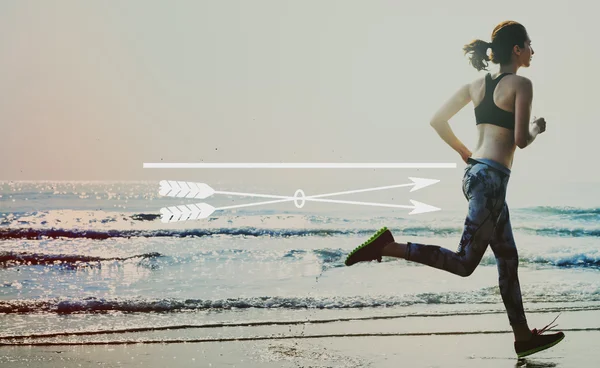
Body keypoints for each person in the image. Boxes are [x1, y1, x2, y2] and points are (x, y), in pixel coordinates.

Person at [344, 20, 565, 358]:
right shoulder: (522, 84)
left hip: (477, 175)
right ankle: (388, 247)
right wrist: (536, 128)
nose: (533, 51)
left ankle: (523, 337)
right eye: (530, 44)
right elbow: (520, 140)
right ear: (517, 49)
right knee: (465, 263)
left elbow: (437, 120)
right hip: (491, 181)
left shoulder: (475, 85)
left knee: (507, 257)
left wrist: (465, 152)